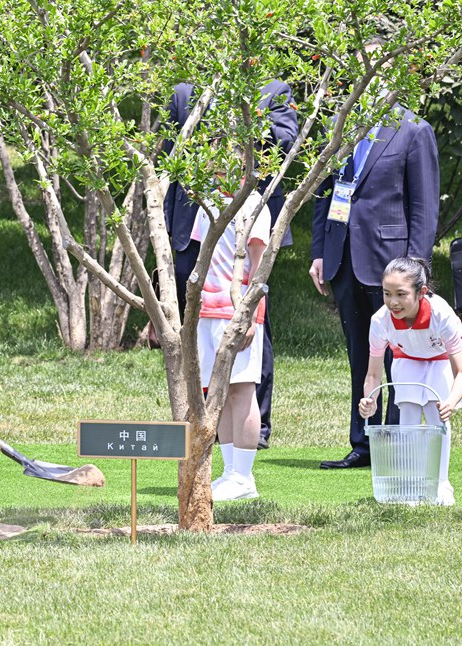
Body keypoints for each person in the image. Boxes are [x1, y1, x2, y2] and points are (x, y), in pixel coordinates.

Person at [164, 80, 298, 449]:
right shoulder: (185, 92)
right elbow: (169, 159)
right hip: (205, 272)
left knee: (242, 381)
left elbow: (286, 143)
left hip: (240, 298)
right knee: (213, 383)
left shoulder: (271, 90)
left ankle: (251, 448)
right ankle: (221, 457)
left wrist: (248, 116)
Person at [310, 104, 439, 469]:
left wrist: (415, 268)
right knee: (359, 355)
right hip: (344, 256)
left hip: (392, 264)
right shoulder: (341, 123)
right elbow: (326, 191)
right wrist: (319, 251)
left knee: (399, 356)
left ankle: (397, 443)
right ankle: (363, 442)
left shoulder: (413, 129)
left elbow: (424, 206)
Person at [193, 183, 271, 501]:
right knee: (218, 391)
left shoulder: (254, 204)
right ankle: (229, 473)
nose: (220, 158)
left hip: (237, 310)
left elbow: (259, 266)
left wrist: (250, 314)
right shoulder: (207, 200)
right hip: (207, 310)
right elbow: (204, 255)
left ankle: (244, 476)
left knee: (242, 389)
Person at [359, 258, 458, 505]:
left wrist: (451, 401)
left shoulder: (441, 314)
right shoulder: (380, 321)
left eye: (401, 294)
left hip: (440, 360)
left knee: (437, 417)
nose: (393, 302)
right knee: (409, 415)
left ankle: (441, 484)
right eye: (387, 293)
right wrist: (369, 399)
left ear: (421, 292)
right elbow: (373, 374)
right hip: (407, 360)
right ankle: (412, 485)